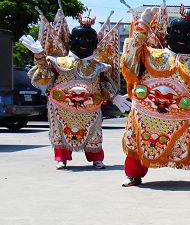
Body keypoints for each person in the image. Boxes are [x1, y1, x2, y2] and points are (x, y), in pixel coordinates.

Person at [120, 2, 190, 186]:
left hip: (181, 121)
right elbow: (131, 57)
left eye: (189, 35)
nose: (182, 38)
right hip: (145, 116)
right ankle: (133, 175)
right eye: (177, 32)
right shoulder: (152, 55)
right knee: (136, 148)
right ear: (168, 33)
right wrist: (142, 25)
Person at [21, 10, 129, 169]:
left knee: (94, 133)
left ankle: (96, 158)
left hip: (90, 109)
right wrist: (39, 56)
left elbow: (103, 86)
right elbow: (44, 77)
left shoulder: (100, 67)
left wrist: (114, 97)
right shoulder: (58, 62)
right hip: (61, 107)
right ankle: (61, 158)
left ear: (95, 43)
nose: (83, 42)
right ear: (70, 40)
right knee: (60, 131)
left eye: (89, 39)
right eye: (78, 38)